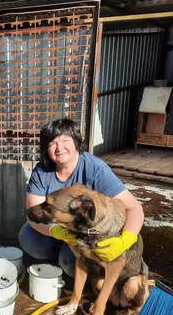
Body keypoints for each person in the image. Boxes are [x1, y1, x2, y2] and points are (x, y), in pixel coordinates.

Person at [19, 117, 144, 277]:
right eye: (52, 143)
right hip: (58, 229)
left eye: (65, 140)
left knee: (70, 264)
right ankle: (56, 261)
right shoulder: (42, 171)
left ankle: (67, 262)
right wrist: (59, 233)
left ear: (76, 142)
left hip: (84, 233)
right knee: (28, 238)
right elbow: (34, 213)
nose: (59, 148)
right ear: (46, 149)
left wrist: (125, 241)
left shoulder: (96, 170)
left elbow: (134, 207)